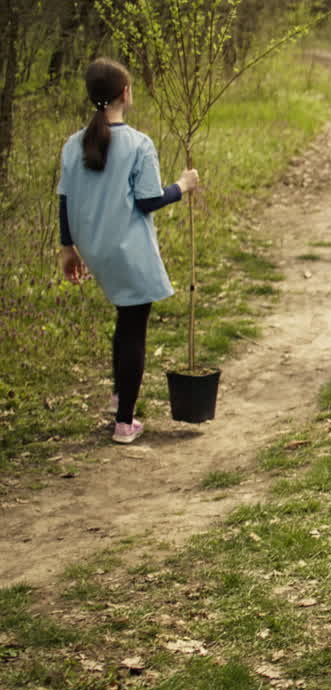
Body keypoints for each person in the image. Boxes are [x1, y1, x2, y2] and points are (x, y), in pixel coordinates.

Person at [57, 58, 200, 444]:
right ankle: (124, 423)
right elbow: (149, 200)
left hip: (94, 248)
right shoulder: (138, 143)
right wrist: (184, 185)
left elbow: (65, 200)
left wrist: (68, 249)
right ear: (125, 93)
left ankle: (120, 395)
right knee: (134, 326)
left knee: (125, 316)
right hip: (128, 249)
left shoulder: (73, 144)